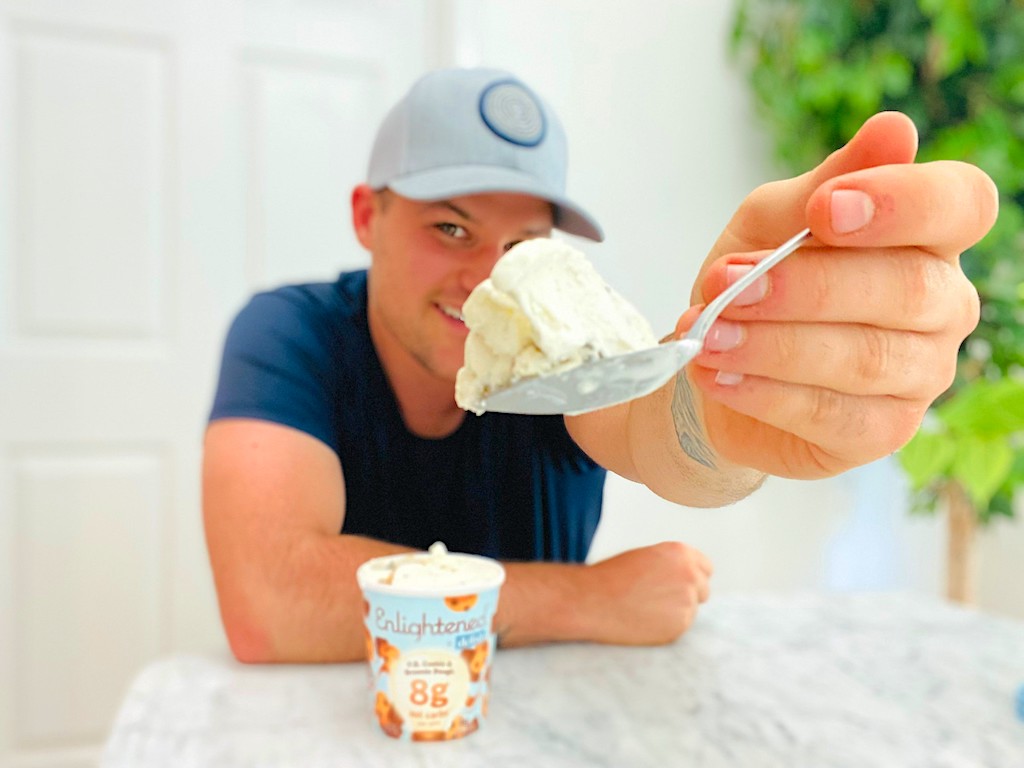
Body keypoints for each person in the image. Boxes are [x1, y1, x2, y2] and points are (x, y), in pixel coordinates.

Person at [202, 67, 997, 663]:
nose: (486, 279)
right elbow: (270, 601)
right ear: (367, 216)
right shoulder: (290, 334)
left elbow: (660, 430)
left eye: (522, 247)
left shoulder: (555, 339)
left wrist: (731, 408)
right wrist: (588, 600)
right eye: (450, 229)